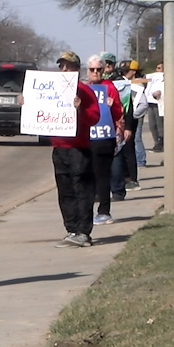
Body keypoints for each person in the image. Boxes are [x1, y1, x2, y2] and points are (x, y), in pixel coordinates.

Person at [50, 51, 102, 248]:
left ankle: (83, 232)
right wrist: (26, 104)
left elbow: (94, 118)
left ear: (77, 70)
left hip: (78, 149)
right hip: (59, 149)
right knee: (65, 192)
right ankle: (71, 229)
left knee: (82, 190)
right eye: (61, 66)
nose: (64, 70)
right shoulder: (52, 89)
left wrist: (80, 109)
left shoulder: (84, 91)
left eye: (69, 66)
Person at [86, 53, 124, 226]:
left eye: (98, 69)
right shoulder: (83, 88)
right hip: (87, 138)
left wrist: (113, 106)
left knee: (102, 175)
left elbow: (118, 113)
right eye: (92, 69)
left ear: (103, 71)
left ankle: (104, 211)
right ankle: (86, 212)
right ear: (87, 71)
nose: (95, 72)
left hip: (105, 138)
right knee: (88, 176)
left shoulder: (109, 88)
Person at [110, 61, 141, 200]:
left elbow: (131, 107)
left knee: (127, 151)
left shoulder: (135, 85)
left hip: (127, 123)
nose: (124, 73)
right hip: (113, 125)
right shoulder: (114, 83)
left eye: (126, 71)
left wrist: (129, 124)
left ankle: (131, 179)